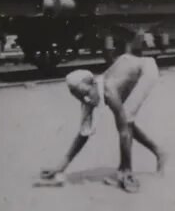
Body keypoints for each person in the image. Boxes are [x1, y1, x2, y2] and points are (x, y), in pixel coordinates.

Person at [39, 54, 166, 193]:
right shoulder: (88, 96)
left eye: (85, 93)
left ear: (92, 84)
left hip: (147, 71)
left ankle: (126, 170)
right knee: (125, 121)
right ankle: (158, 153)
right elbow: (84, 133)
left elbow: (124, 131)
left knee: (126, 121)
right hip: (129, 70)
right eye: (79, 97)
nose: (86, 99)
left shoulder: (109, 90)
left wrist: (128, 172)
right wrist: (60, 167)